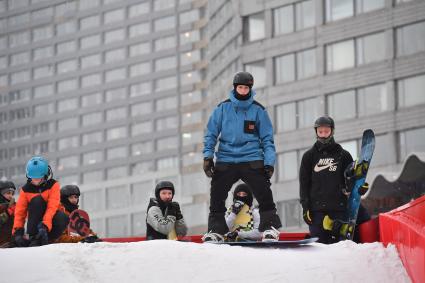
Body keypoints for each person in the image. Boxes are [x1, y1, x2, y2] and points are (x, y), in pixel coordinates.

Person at [202, 71, 281, 242]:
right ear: (235, 88)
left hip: (251, 157)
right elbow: (211, 134)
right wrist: (208, 157)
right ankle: (216, 230)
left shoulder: (258, 110)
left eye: (246, 88)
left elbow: (267, 139)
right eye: (240, 87)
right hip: (226, 158)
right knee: (217, 193)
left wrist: (269, 163)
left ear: (250, 89)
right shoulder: (223, 108)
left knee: (263, 192)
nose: (243, 90)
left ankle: (269, 227)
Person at [299, 116, 369, 244]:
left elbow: (350, 181)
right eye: (320, 132)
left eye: (326, 131)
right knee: (320, 249)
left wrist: (360, 189)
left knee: (341, 248)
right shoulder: (308, 156)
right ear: (316, 132)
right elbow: (304, 184)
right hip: (316, 212)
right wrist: (305, 207)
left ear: (332, 131)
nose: (323, 135)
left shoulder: (343, 155)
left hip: (339, 210)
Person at [12, 156, 69, 247]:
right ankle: (34, 239)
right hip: (33, 224)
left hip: (49, 222)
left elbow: (52, 207)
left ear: (45, 175)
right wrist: (17, 232)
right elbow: (20, 212)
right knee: (37, 201)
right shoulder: (25, 190)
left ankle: (48, 239)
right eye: (33, 178)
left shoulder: (54, 185)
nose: (35, 181)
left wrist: (45, 226)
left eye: (38, 178)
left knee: (63, 217)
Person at [0, 180, 17, 248]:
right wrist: (7, 212)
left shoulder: (14, 205)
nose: (11, 196)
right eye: (8, 193)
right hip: (2, 244)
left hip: (14, 241)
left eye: (12, 193)